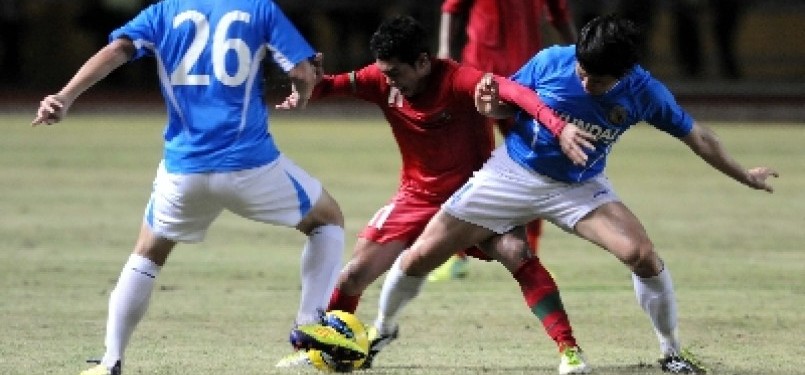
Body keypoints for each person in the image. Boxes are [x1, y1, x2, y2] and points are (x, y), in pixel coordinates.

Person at [375, 14, 778, 374]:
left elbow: (699, 136)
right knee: (420, 256)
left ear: (624, 73)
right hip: (512, 174)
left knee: (643, 255)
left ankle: (671, 352)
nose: (585, 83)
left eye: (598, 81)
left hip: (579, 187)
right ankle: (382, 330)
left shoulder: (644, 93)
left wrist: (743, 174)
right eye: (582, 72)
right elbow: (505, 105)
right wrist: (487, 106)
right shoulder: (553, 60)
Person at [31, 1, 368, 374]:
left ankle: (110, 360)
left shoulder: (163, 12)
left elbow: (117, 50)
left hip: (184, 169)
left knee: (147, 253)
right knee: (327, 219)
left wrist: (65, 96)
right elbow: (304, 73)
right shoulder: (259, 10)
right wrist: (302, 96)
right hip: (250, 164)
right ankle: (309, 335)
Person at [275, 15, 589, 374]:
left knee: (517, 252)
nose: (388, 80)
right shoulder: (381, 78)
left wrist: (559, 127)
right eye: (385, 73)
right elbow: (327, 87)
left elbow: (517, 93)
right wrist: (306, 85)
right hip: (415, 197)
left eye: (395, 73)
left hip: (476, 197)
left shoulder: (458, 80)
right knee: (352, 276)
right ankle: (322, 349)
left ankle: (570, 349)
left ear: (423, 62)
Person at [431, 0, 577, 281]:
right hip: (478, 80)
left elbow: (560, 15)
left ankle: (530, 255)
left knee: (535, 167)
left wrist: (582, 57)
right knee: (462, 164)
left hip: (526, 83)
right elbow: (451, 7)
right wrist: (445, 51)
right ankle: (455, 255)